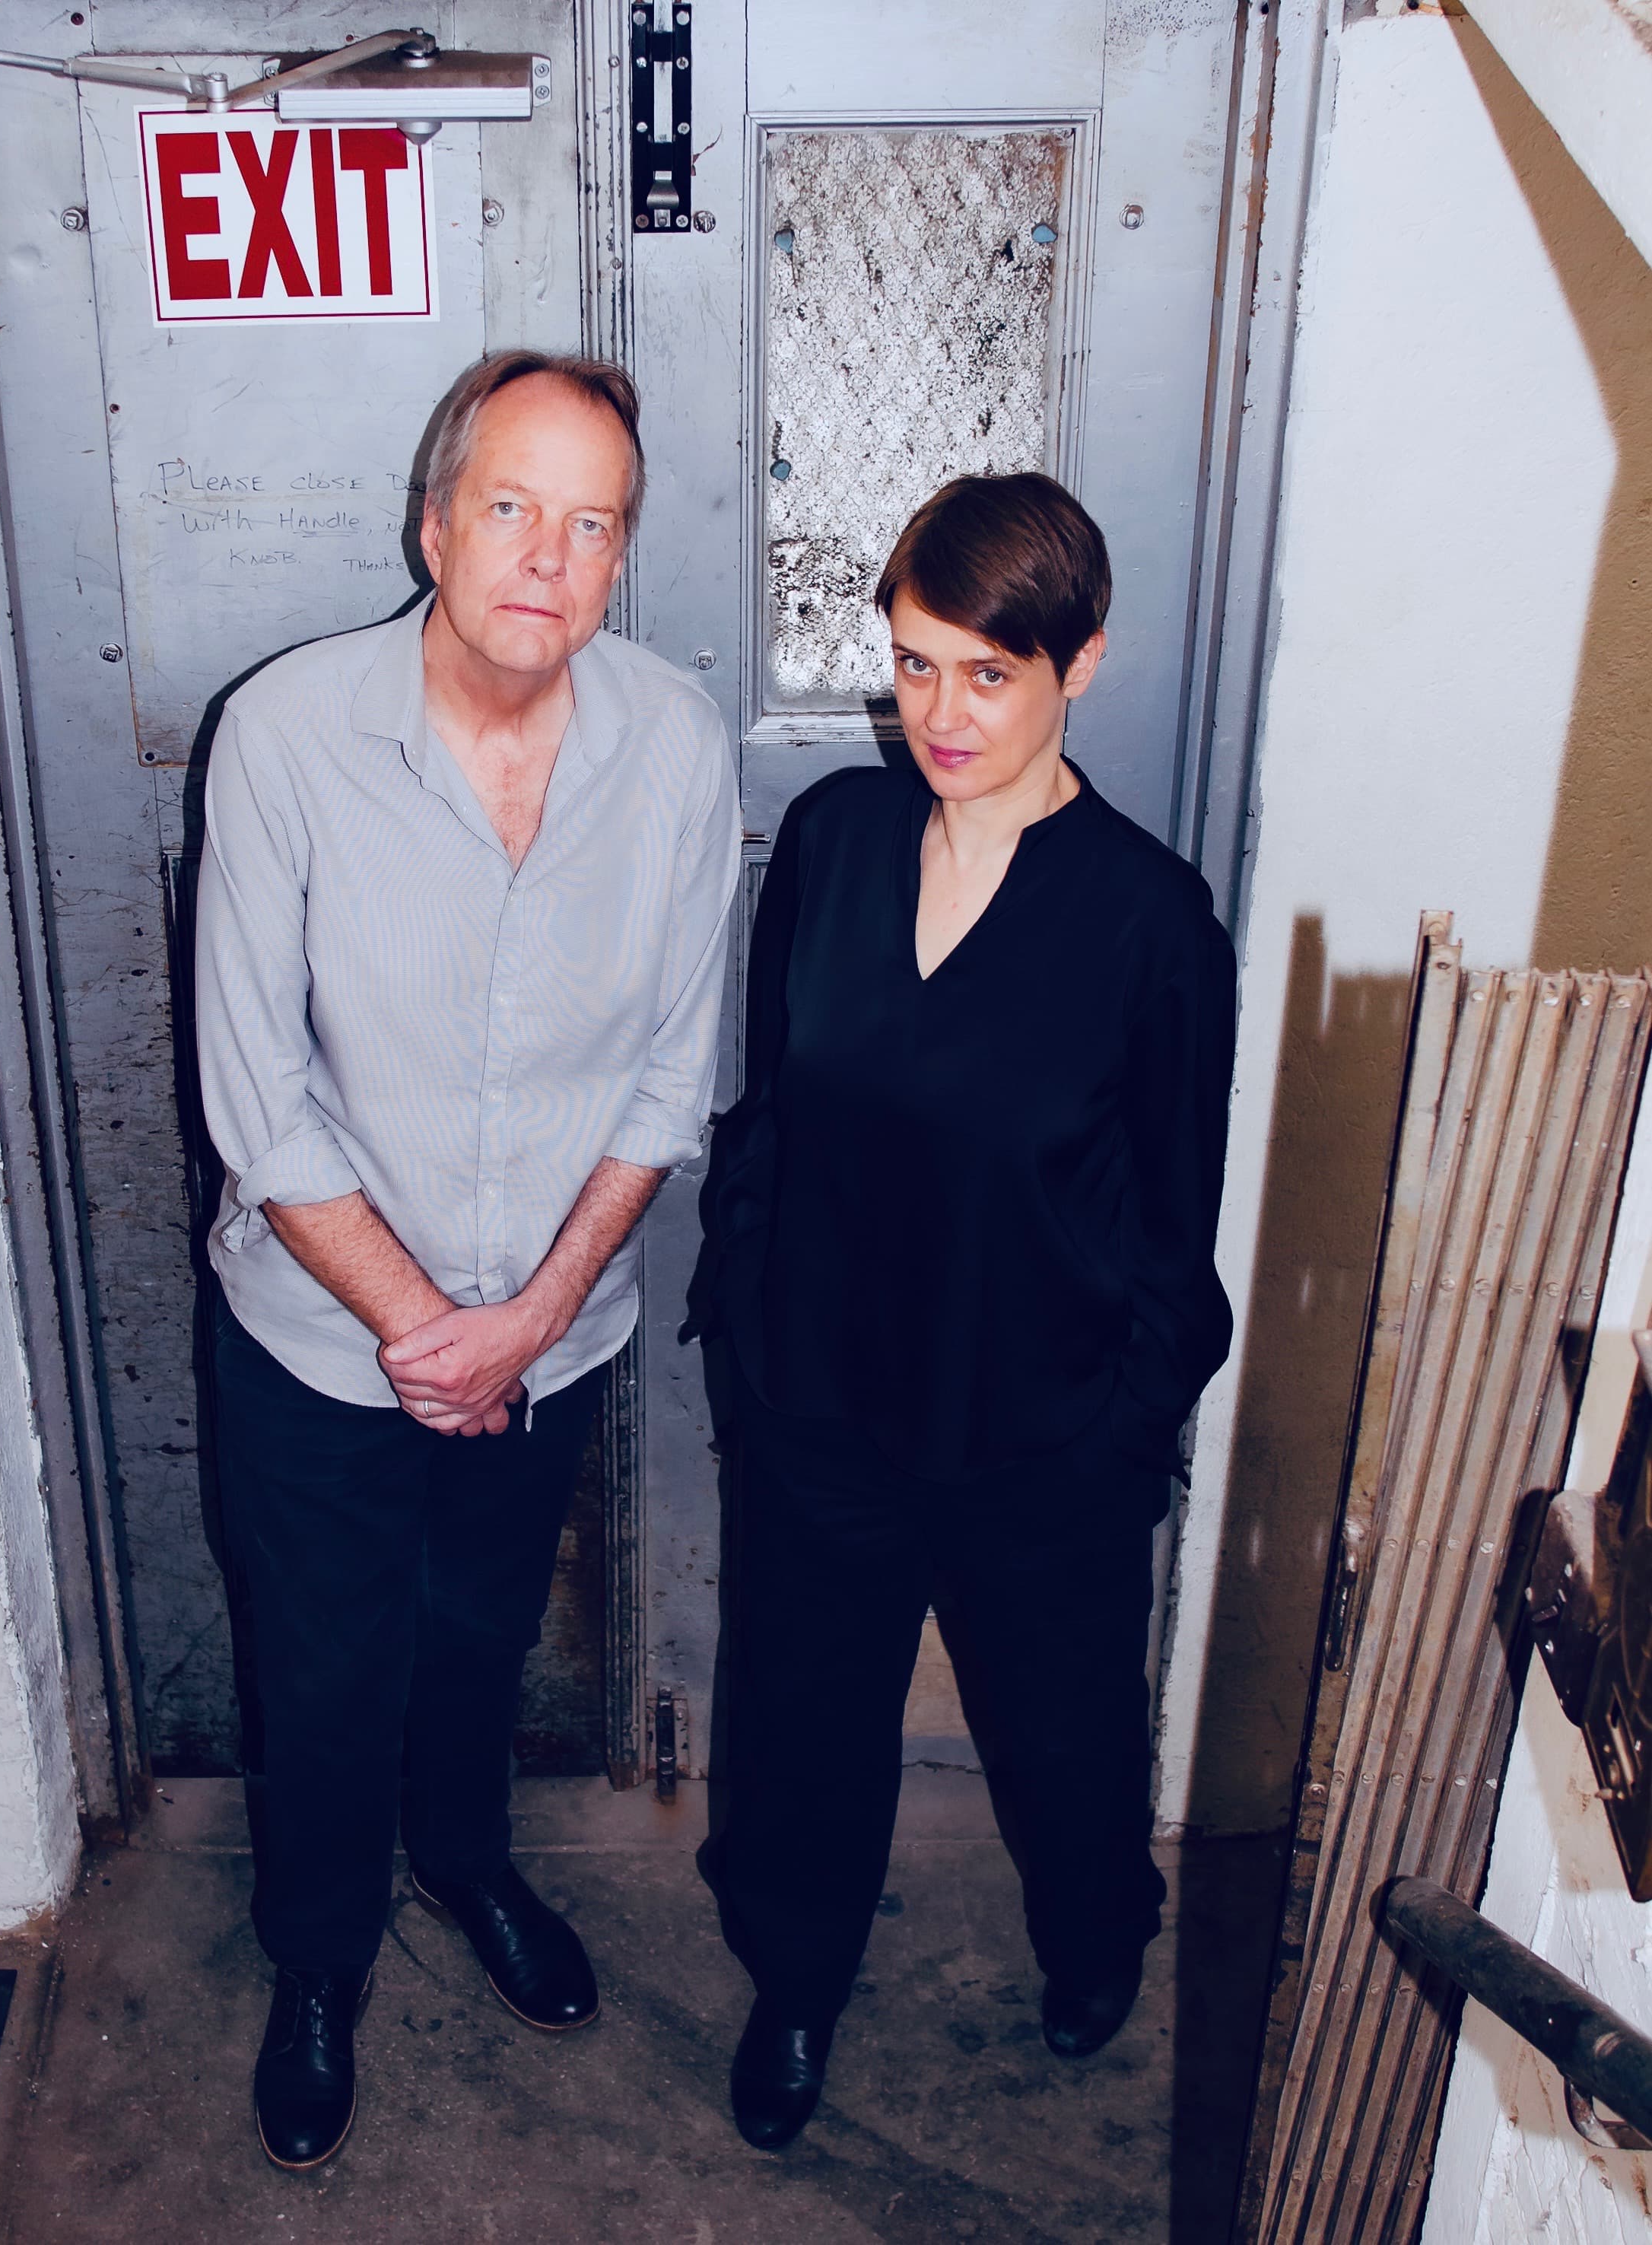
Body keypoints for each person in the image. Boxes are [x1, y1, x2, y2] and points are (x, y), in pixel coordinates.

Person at [195, 350, 739, 2170]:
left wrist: (531, 1321)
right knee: (327, 1667)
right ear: (432, 525)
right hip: (321, 1349)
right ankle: (322, 1958)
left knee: (480, 1637)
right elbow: (257, 1104)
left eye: (594, 526)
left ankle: (467, 1862)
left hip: (553, 1341)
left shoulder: (672, 742)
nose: (548, 556)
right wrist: (436, 1332)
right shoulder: (283, 735)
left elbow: (673, 1071)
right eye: (511, 506)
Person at [694, 472, 1236, 2149]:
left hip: (1034, 1443)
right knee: (797, 1732)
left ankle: (1091, 1943)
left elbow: (1169, 1225)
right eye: (913, 665)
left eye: (986, 674)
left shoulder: (1149, 924)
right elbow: (770, 1113)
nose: (938, 713)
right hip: (823, 1418)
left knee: (1062, 1746)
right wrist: (751, 1335)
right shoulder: (838, 845)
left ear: (1082, 662)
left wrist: (1114, 1430)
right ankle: (794, 1987)